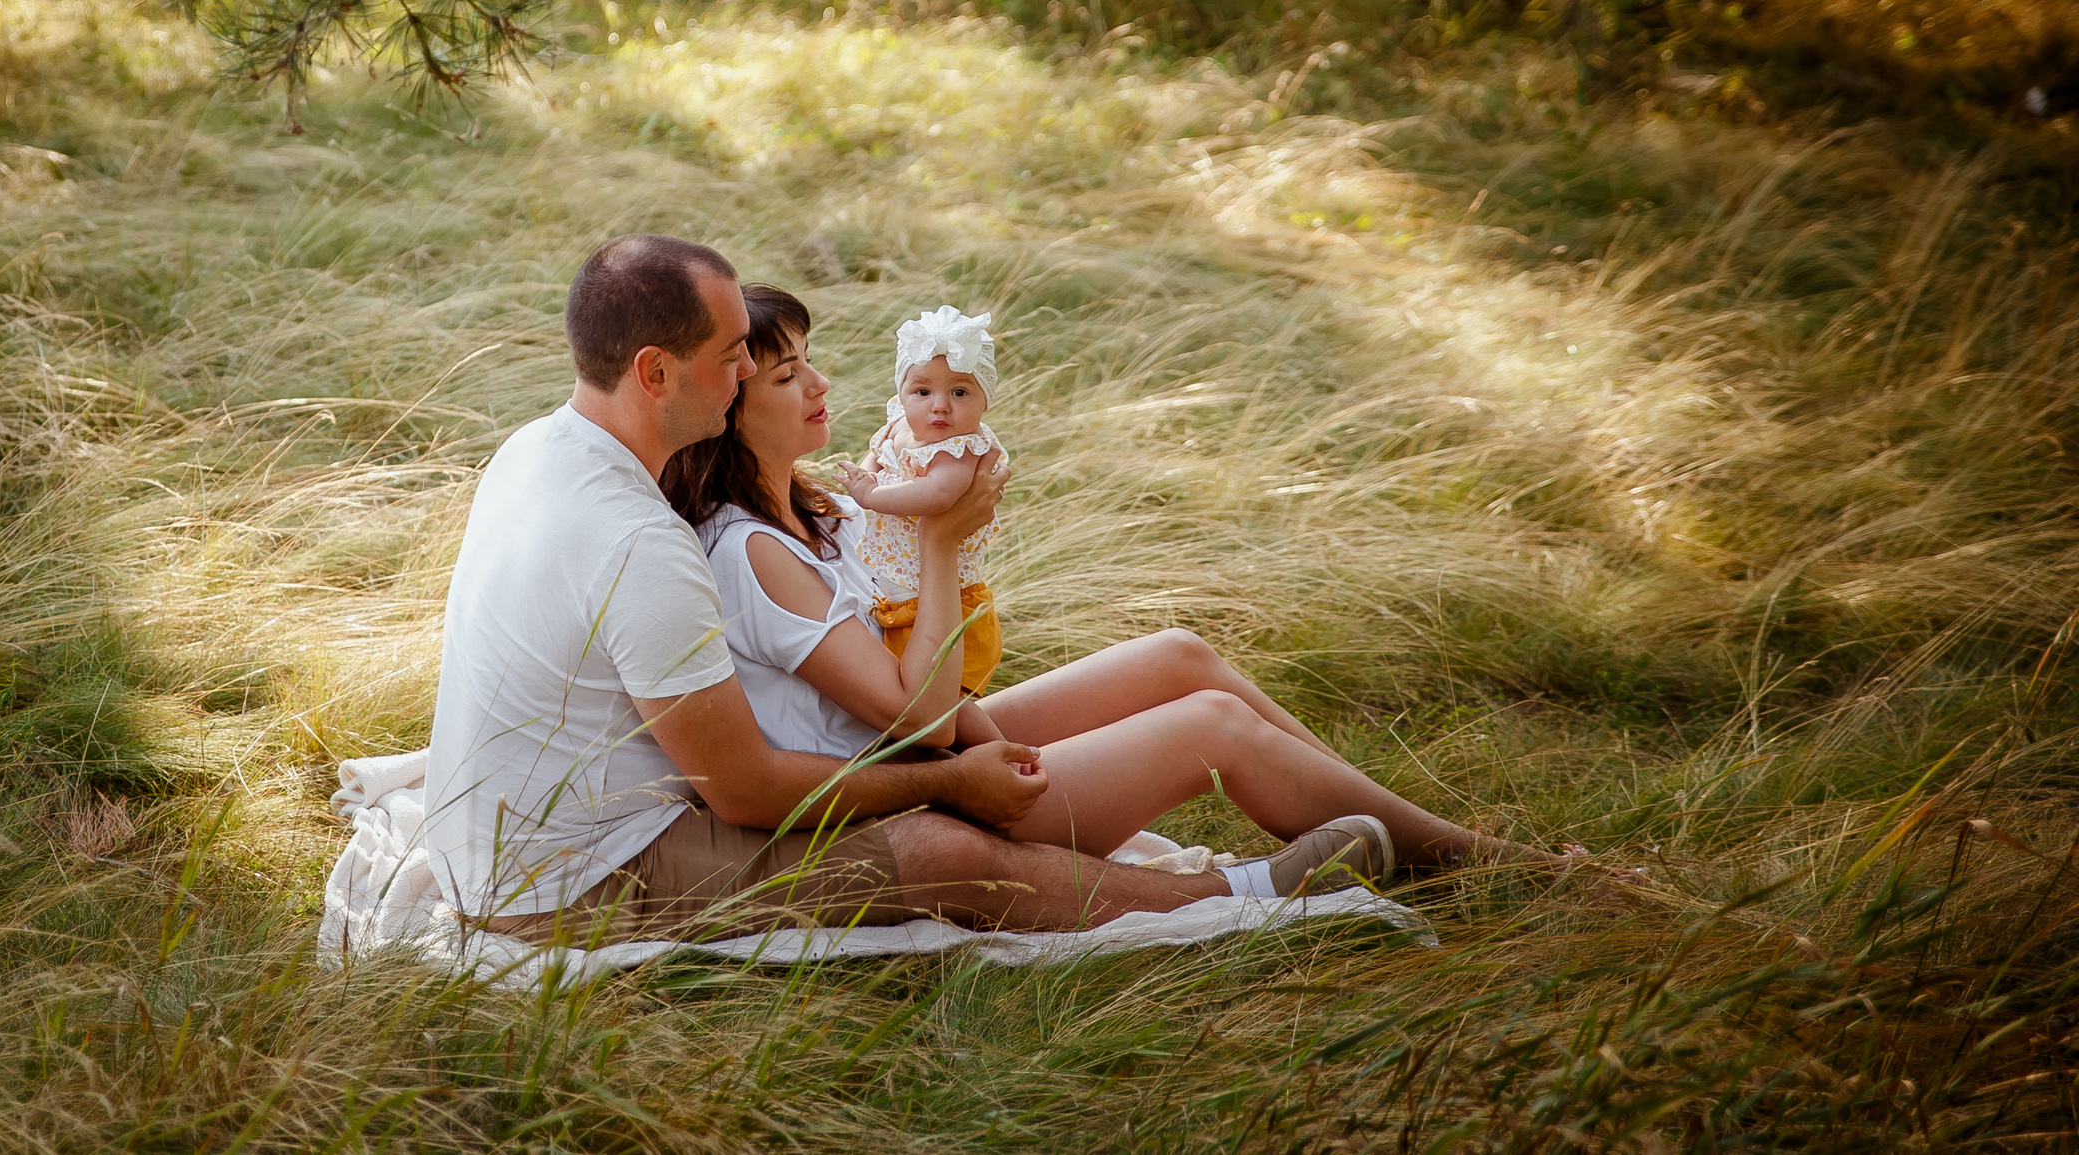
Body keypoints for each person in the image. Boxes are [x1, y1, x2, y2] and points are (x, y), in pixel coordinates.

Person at [423, 235, 1397, 948]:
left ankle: (1385, 831)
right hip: (569, 882)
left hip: (539, 823)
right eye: (735, 359)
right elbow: (746, 787)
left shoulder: (541, 446)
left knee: (1139, 684)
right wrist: (944, 779)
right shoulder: (644, 543)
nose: (746, 377)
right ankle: (1238, 891)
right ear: (653, 369)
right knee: (928, 847)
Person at [662, 282, 1587, 889]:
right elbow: (925, 720)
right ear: (729, 411)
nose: (821, 383)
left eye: (807, 359)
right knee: (1213, 730)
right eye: (789, 375)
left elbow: (945, 700)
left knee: (1178, 656)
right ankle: (1486, 865)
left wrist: (997, 722)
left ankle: (1392, 816)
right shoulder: (754, 552)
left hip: (946, 750)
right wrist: (942, 544)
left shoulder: (811, 505)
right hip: (930, 790)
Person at [841, 305, 1007, 697]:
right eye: (922, 391)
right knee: (906, 698)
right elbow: (879, 455)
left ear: (986, 400)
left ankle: (1004, 753)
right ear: (902, 392)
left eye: (960, 392)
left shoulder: (960, 450)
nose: (940, 405)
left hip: (950, 606)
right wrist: (866, 473)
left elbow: (937, 494)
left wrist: (870, 494)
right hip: (900, 599)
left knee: (949, 705)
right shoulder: (899, 426)